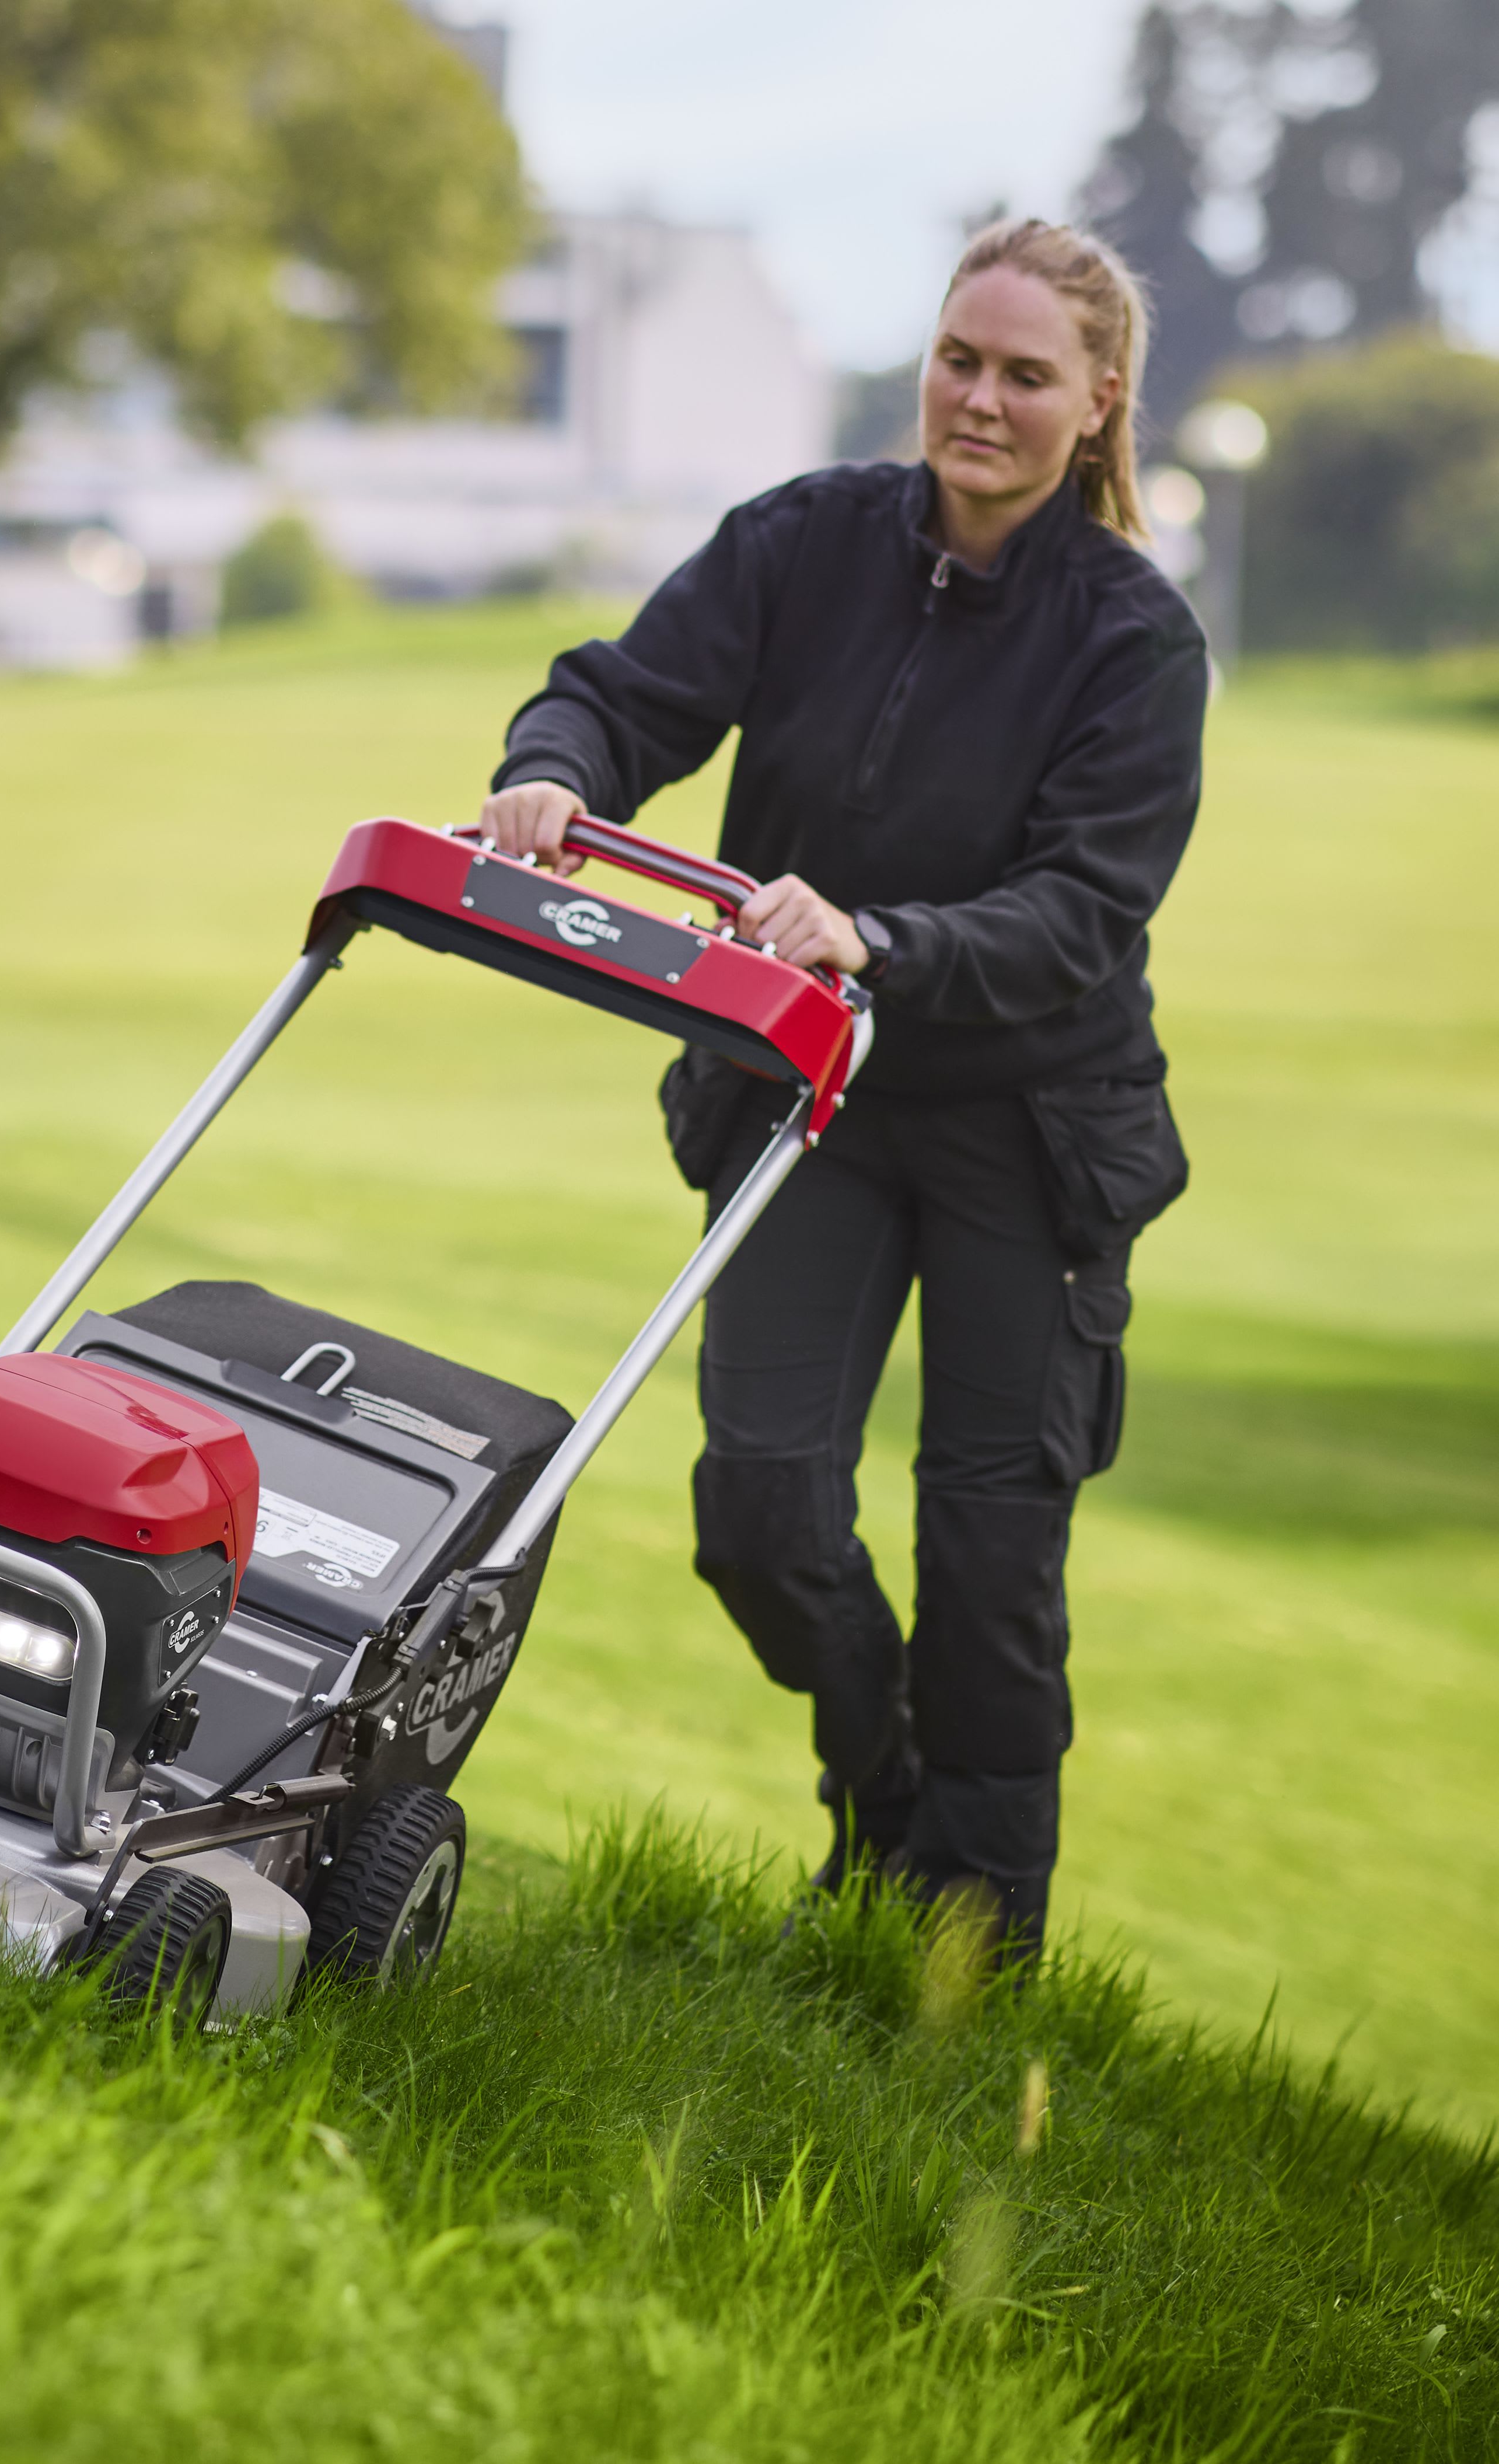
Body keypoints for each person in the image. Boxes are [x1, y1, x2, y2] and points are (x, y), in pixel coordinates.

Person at [479, 218, 1206, 1957]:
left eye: (1028, 375)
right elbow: (621, 695)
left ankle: (972, 1943)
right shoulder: (804, 544)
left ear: (1099, 401)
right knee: (761, 1507)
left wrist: (879, 936)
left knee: (987, 1561)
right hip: (811, 1105)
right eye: (963, 358)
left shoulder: (1135, 641)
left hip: (1029, 1134)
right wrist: (550, 774)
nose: (982, 399)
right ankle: (881, 1790)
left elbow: (1081, 913)